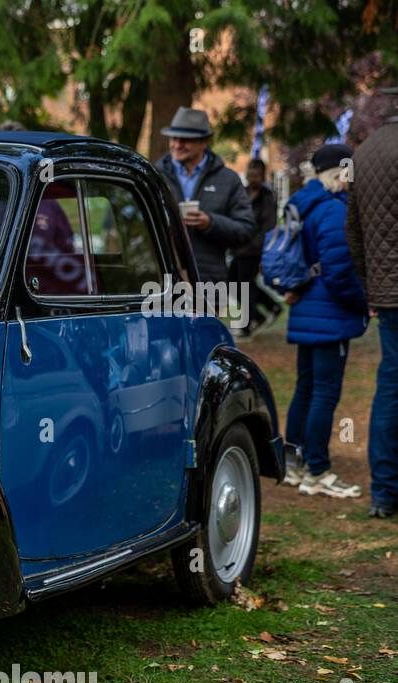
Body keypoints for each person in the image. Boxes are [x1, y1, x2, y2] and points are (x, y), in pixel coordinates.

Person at [282, 144, 368, 498]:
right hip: (329, 312)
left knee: (306, 386)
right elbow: (339, 272)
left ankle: (294, 461)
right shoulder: (332, 211)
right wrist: (364, 303)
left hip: (306, 307)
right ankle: (317, 470)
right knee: (324, 392)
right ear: (339, 173)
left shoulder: (302, 204)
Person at [346, 83, 398, 518]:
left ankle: (384, 492)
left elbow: (354, 233)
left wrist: (373, 289)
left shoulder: (363, 154)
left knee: (390, 388)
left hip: (387, 293)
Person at [154, 107, 255, 288]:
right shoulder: (154, 175)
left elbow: (246, 230)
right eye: (174, 138)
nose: (177, 145)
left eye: (185, 140)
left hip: (210, 284)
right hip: (161, 284)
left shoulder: (228, 180)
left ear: (204, 142)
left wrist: (210, 223)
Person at [229, 158, 278, 336]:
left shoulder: (267, 197)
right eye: (250, 173)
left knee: (244, 285)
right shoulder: (242, 193)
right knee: (233, 282)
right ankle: (270, 307)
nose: (252, 177)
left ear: (262, 176)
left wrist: (252, 245)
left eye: (256, 174)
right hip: (238, 246)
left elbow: (268, 227)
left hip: (253, 250)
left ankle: (247, 323)